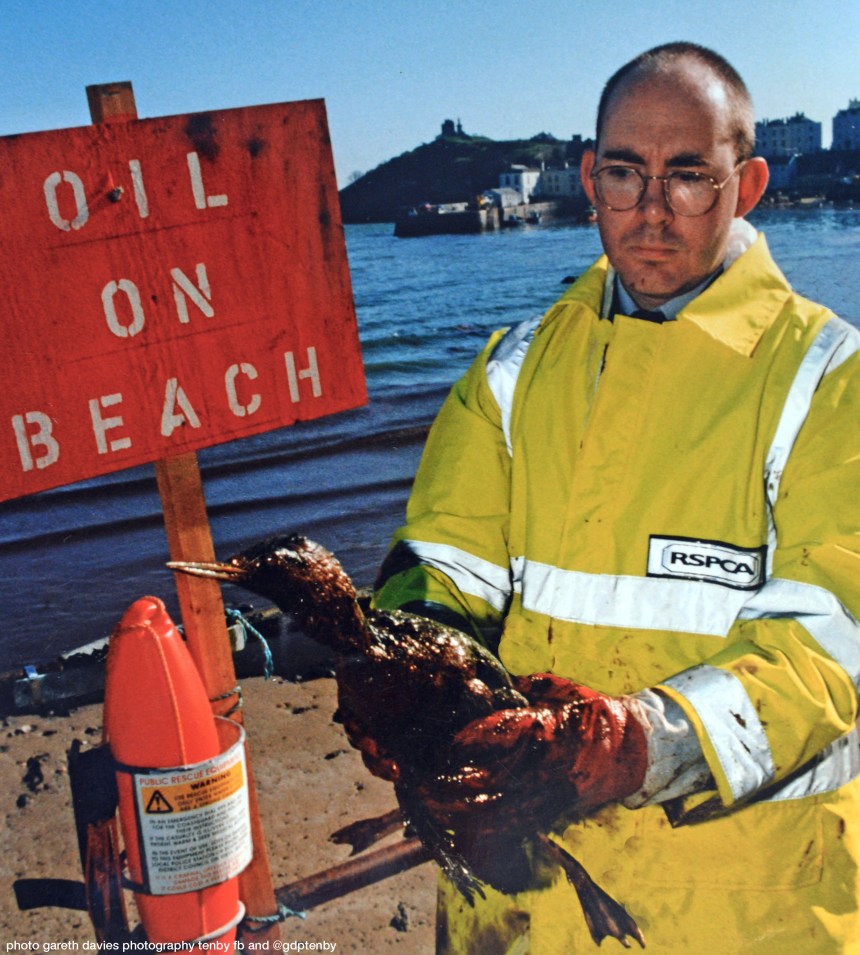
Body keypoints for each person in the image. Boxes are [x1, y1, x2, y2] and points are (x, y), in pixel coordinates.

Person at [371, 41, 860, 952]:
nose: (651, 213)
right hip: (519, 903)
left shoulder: (829, 379)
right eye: (627, 175)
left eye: (689, 179)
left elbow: (827, 647)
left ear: (747, 184)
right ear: (590, 178)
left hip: (749, 907)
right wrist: (400, 671)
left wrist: (643, 743)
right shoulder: (511, 371)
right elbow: (440, 560)